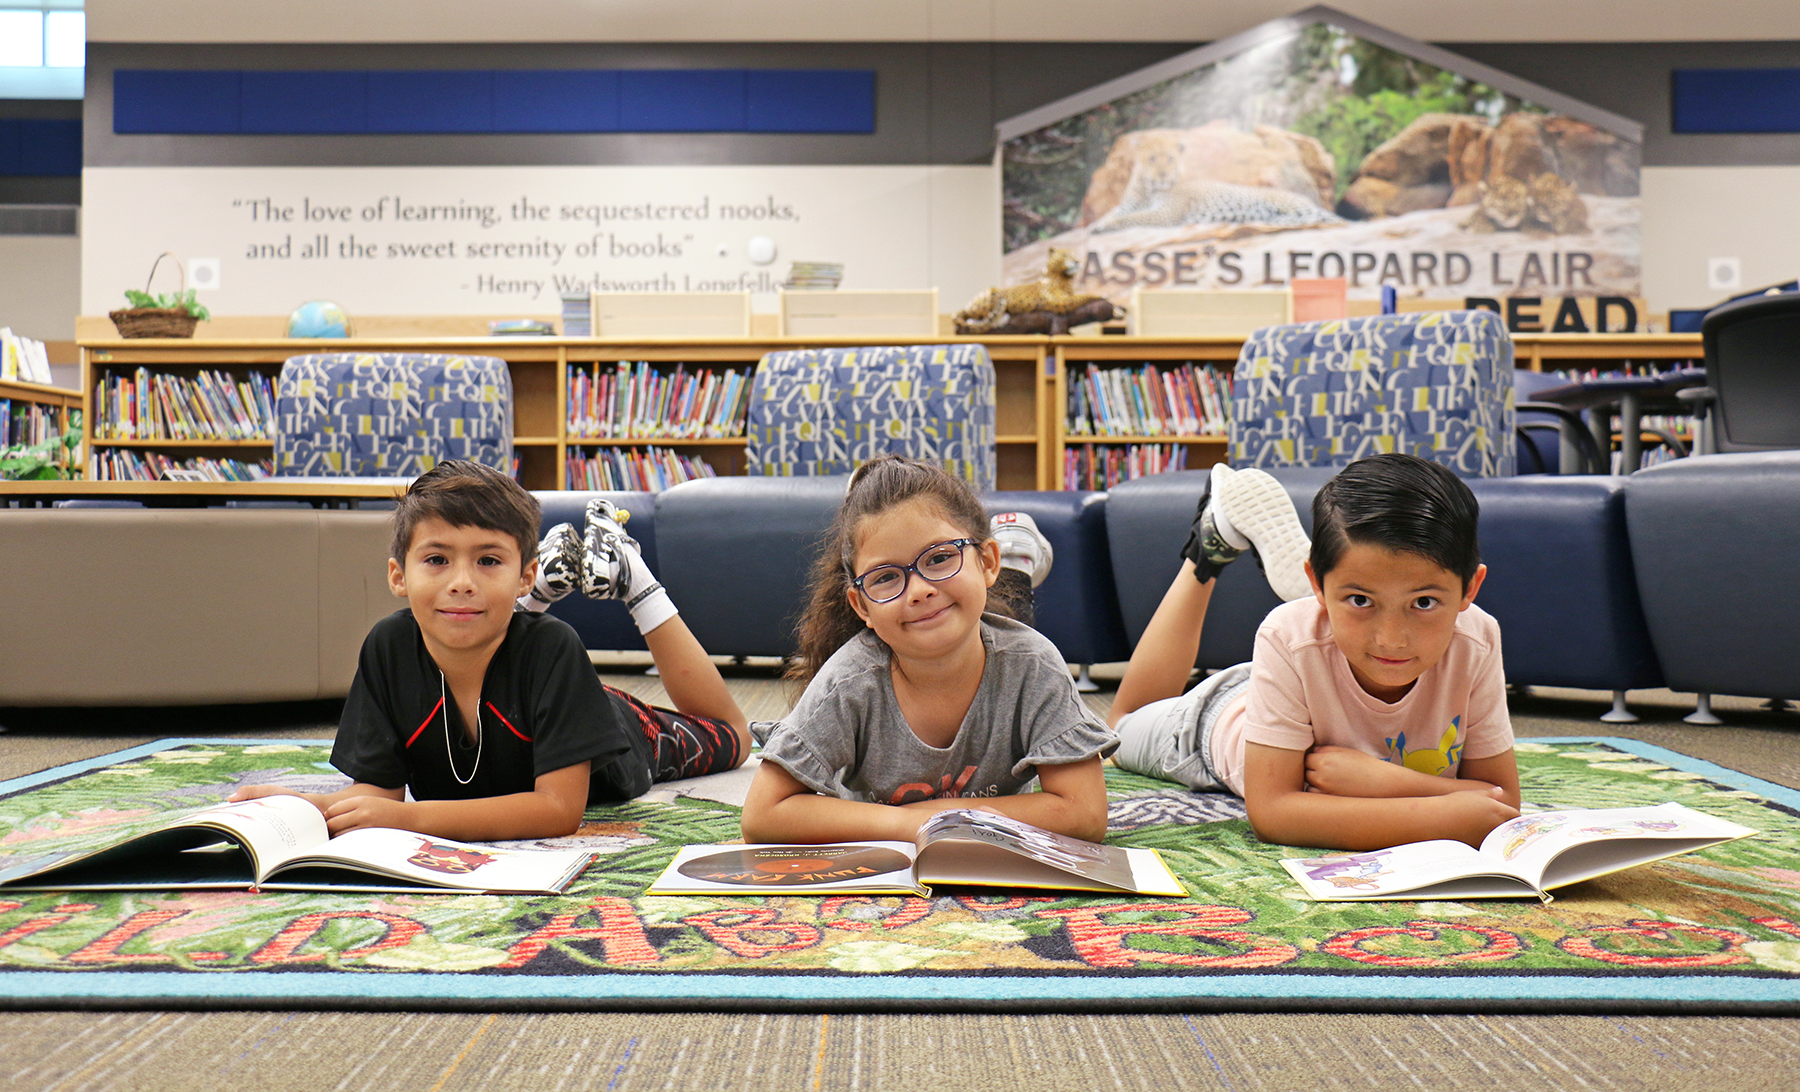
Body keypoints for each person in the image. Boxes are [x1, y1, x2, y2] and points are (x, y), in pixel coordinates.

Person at [232, 460, 749, 841]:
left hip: (615, 727)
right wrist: (302, 808)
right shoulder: (388, 647)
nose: (460, 582)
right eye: (436, 559)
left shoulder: (555, 648)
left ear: (517, 572)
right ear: (398, 575)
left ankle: (632, 576)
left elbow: (558, 812)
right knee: (498, 627)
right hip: (532, 682)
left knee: (736, 739)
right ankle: (532, 598)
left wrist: (412, 819)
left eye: (487, 561)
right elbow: (379, 795)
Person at [1108, 456, 1520, 851]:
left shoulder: (1477, 638)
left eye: (1424, 602)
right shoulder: (1284, 634)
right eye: (1361, 600)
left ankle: (1339, 604)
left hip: (1307, 670)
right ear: (1316, 582)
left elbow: (1501, 801)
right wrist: (1444, 811)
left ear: (1470, 589)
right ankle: (1208, 549)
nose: (1392, 640)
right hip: (1213, 721)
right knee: (1118, 730)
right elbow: (1273, 814)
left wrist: (1384, 782)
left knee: (1317, 635)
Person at [740, 455, 1116, 844]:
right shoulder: (848, 680)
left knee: (1011, 623)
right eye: (885, 577)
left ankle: (1015, 569)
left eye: (939, 558)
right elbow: (762, 815)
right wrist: (918, 826)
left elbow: (1085, 814)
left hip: (998, 627)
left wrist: (936, 817)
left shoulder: (1034, 665)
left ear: (987, 561)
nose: (919, 591)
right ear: (861, 606)